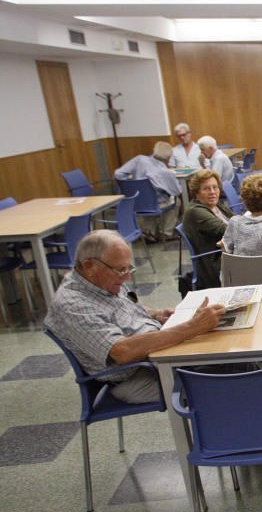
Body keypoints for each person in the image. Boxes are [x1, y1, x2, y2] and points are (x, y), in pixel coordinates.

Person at [44, 230, 224, 404]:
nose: (128, 277)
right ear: (89, 266)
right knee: (224, 384)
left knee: (228, 357)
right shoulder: (72, 305)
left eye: (128, 268)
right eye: (121, 270)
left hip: (157, 356)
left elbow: (123, 306)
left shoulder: (101, 280)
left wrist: (157, 313)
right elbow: (123, 352)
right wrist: (193, 327)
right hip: (138, 376)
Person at [114, 141, 181, 242]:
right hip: (156, 203)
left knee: (148, 200)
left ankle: (148, 232)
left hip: (135, 202)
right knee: (176, 202)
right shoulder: (166, 172)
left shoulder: (139, 160)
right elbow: (177, 191)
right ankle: (166, 233)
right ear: (168, 158)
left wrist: (131, 180)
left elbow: (118, 174)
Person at [181, 170, 232, 289]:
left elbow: (236, 222)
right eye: (206, 189)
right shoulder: (195, 211)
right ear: (196, 192)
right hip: (215, 263)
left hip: (227, 252)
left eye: (215, 187)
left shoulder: (216, 206)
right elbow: (225, 229)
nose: (212, 192)